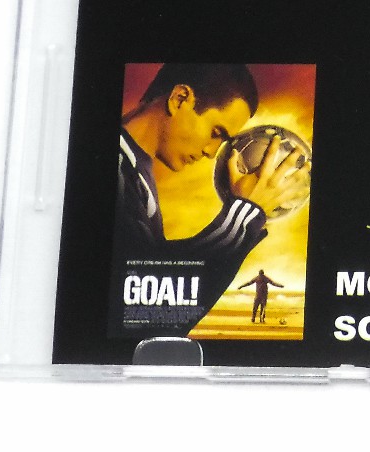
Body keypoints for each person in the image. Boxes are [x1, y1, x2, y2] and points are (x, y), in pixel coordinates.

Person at [113, 62, 306, 336]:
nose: (212, 152)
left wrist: (243, 220)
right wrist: (244, 213)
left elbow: (154, 267)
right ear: (180, 98)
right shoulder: (119, 171)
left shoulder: (134, 170)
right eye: (216, 133)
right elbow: (150, 310)